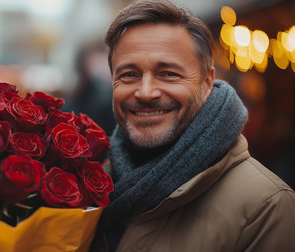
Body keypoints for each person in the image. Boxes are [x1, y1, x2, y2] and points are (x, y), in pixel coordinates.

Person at [90, 1, 295, 251]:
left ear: (207, 82)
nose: (145, 92)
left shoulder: (265, 206)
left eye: (168, 74)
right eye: (129, 75)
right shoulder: (94, 184)